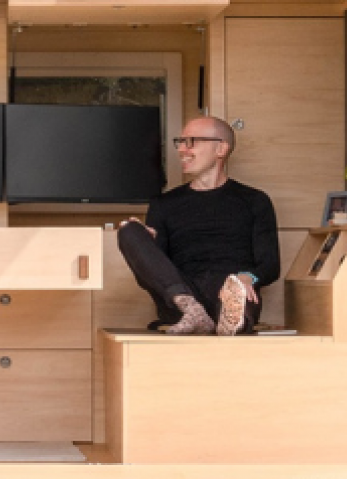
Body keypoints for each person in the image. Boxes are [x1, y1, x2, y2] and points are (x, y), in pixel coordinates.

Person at [116, 116, 280, 336]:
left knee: (236, 295)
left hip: (229, 290)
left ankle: (230, 320)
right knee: (129, 230)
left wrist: (247, 278)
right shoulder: (164, 204)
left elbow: (270, 265)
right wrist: (148, 245)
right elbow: (155, 276)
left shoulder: (254, 201)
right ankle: (192, 312)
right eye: (180, 142)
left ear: (220, 148)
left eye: (191, 142)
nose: (182, 149)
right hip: (181, 295)